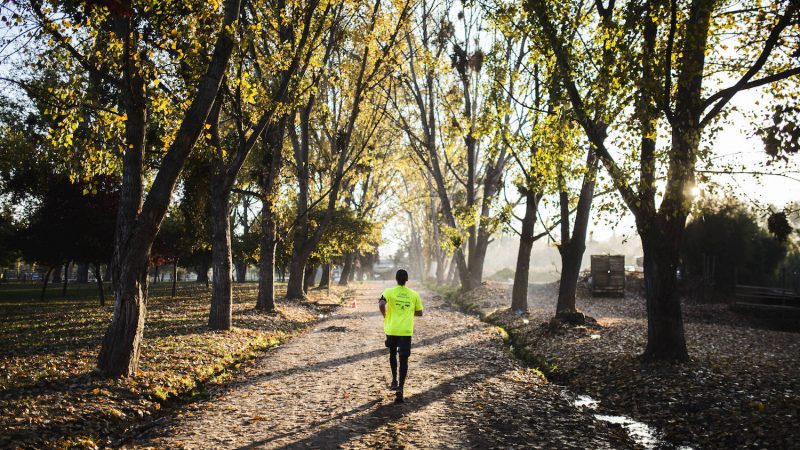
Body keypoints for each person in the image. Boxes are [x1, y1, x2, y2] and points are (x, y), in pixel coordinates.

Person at [378, 269, 423, 404]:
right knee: (404, 359)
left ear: (396, 279)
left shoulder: (389, 291)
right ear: (407, 280)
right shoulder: (414, 294)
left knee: (392, 353)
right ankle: (401, 389)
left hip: (391, 329)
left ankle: (393, 380)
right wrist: (409, 312)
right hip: (405, 331)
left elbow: (381, 304)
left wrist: (385, 315)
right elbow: (420, 313)